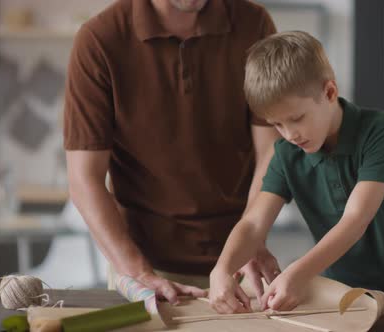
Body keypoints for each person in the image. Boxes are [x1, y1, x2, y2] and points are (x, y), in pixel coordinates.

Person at [209, 31, 384, 314]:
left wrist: (298, 272)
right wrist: (221, 269)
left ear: (329, 92)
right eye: (277, 124)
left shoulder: (381, 130)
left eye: (296, 118)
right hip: (348, 296)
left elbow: (355, 219)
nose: (289, 134)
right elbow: (253, 223)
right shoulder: (286, 154)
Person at [63, 0, 282, 305]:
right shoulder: (100, 39)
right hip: (146, 269)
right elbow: (84, 180)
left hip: (239, 267)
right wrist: (140, 273)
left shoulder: (253, 23)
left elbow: (271, 150)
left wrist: (250, 242)